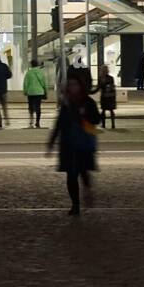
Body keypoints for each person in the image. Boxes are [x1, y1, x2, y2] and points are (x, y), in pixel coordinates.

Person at [46, 74, 101, 216]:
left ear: (80, 86)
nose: (72, 87)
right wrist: (51, 143)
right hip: (68, 144)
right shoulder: (66, 103)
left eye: (74, 84)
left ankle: (87, 189)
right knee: (71, 176)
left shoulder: (88, 102)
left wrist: (85, 115)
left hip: (83, 143)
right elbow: (59, 124)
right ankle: (75, 205)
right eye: (69, 85)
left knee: (83, 171)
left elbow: (97, 119)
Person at [23, 58, 48, 128]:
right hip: (39, 92)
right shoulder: (41, 72)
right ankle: (37, 122)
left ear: (31, 65)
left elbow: (25, 83)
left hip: (30, 92)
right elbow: (44, 83)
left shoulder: (28, 73)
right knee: (38, 107)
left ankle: (31, 120)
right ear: (37, 64)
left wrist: (25, 91)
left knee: (30, 106)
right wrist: (45, 91)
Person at [98, 64, 118, 128]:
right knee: (111, 110)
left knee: (103, 110)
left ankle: (103, 125)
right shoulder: (111, 78)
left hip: (104, 96)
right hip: (110, 96)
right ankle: (113, 124)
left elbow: (99, 87)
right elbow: (112, 87)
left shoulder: (100, 78)